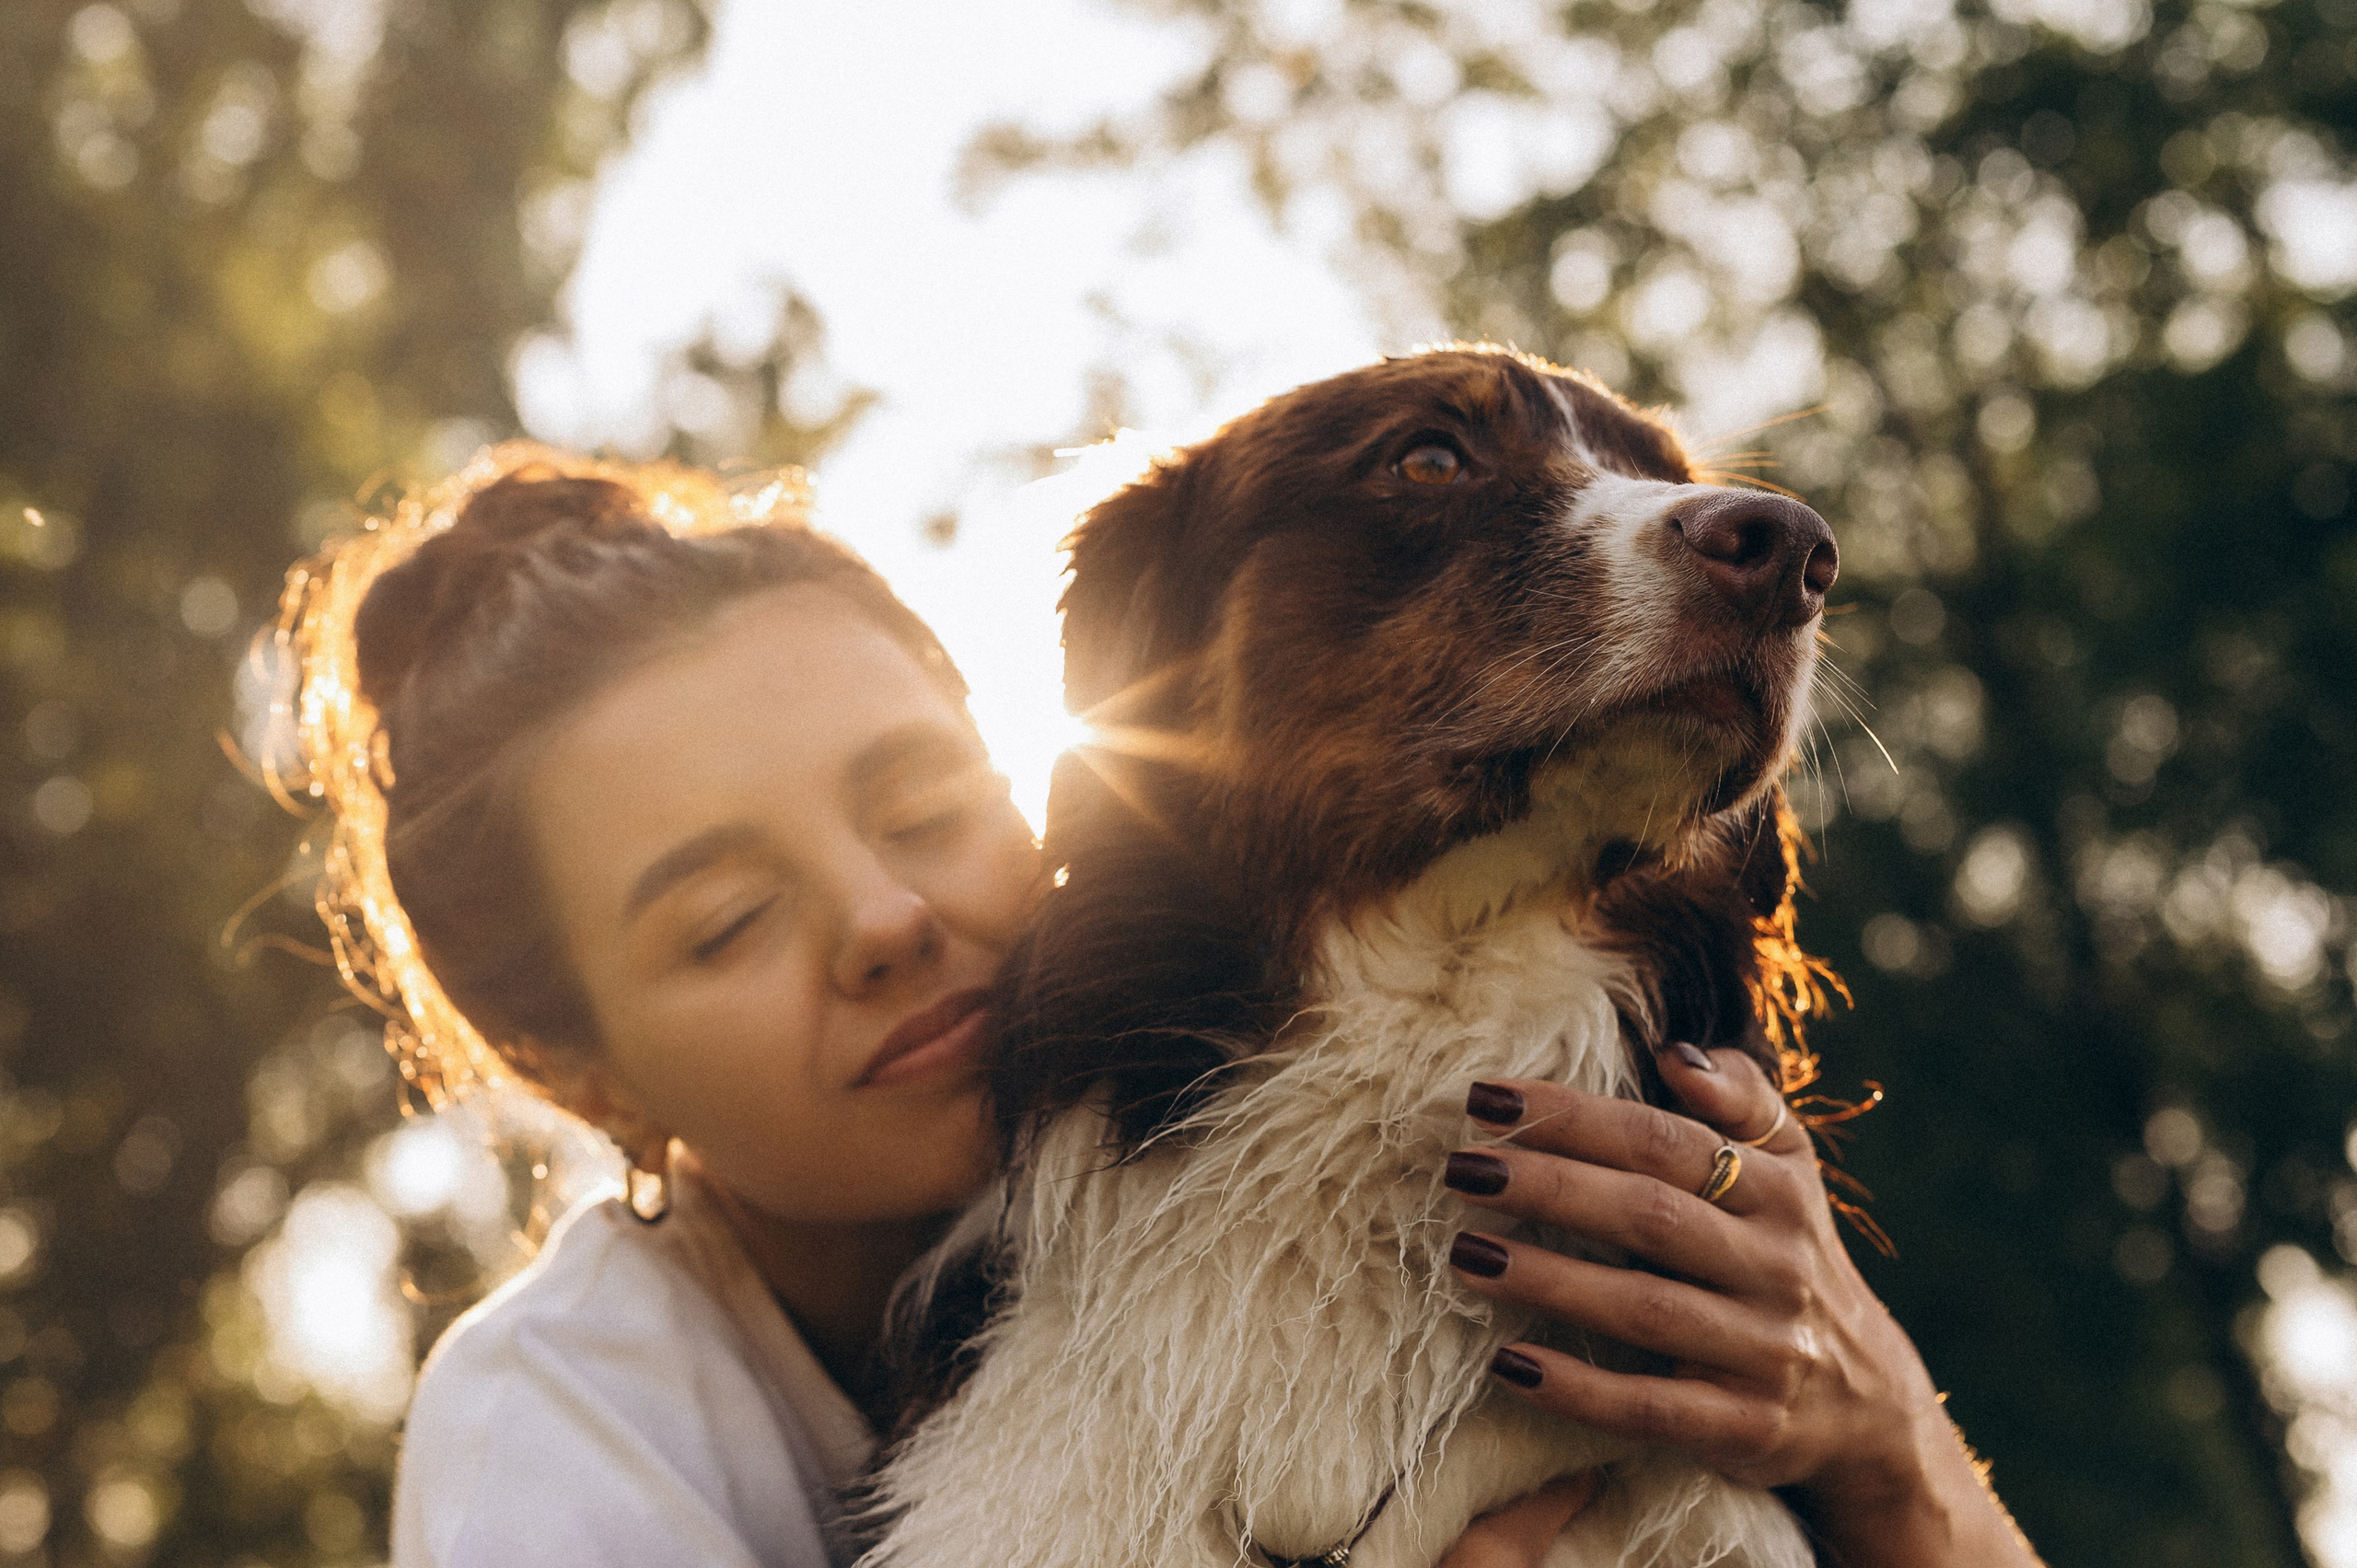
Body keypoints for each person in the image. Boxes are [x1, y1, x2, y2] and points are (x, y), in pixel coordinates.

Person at [284, 444, 2040, 1568]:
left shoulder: (1375, 1121)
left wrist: (1892, 1449)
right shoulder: (561, 1427)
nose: (886, 920)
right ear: (573, 1072)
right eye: (728, 920)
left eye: (925, 808)